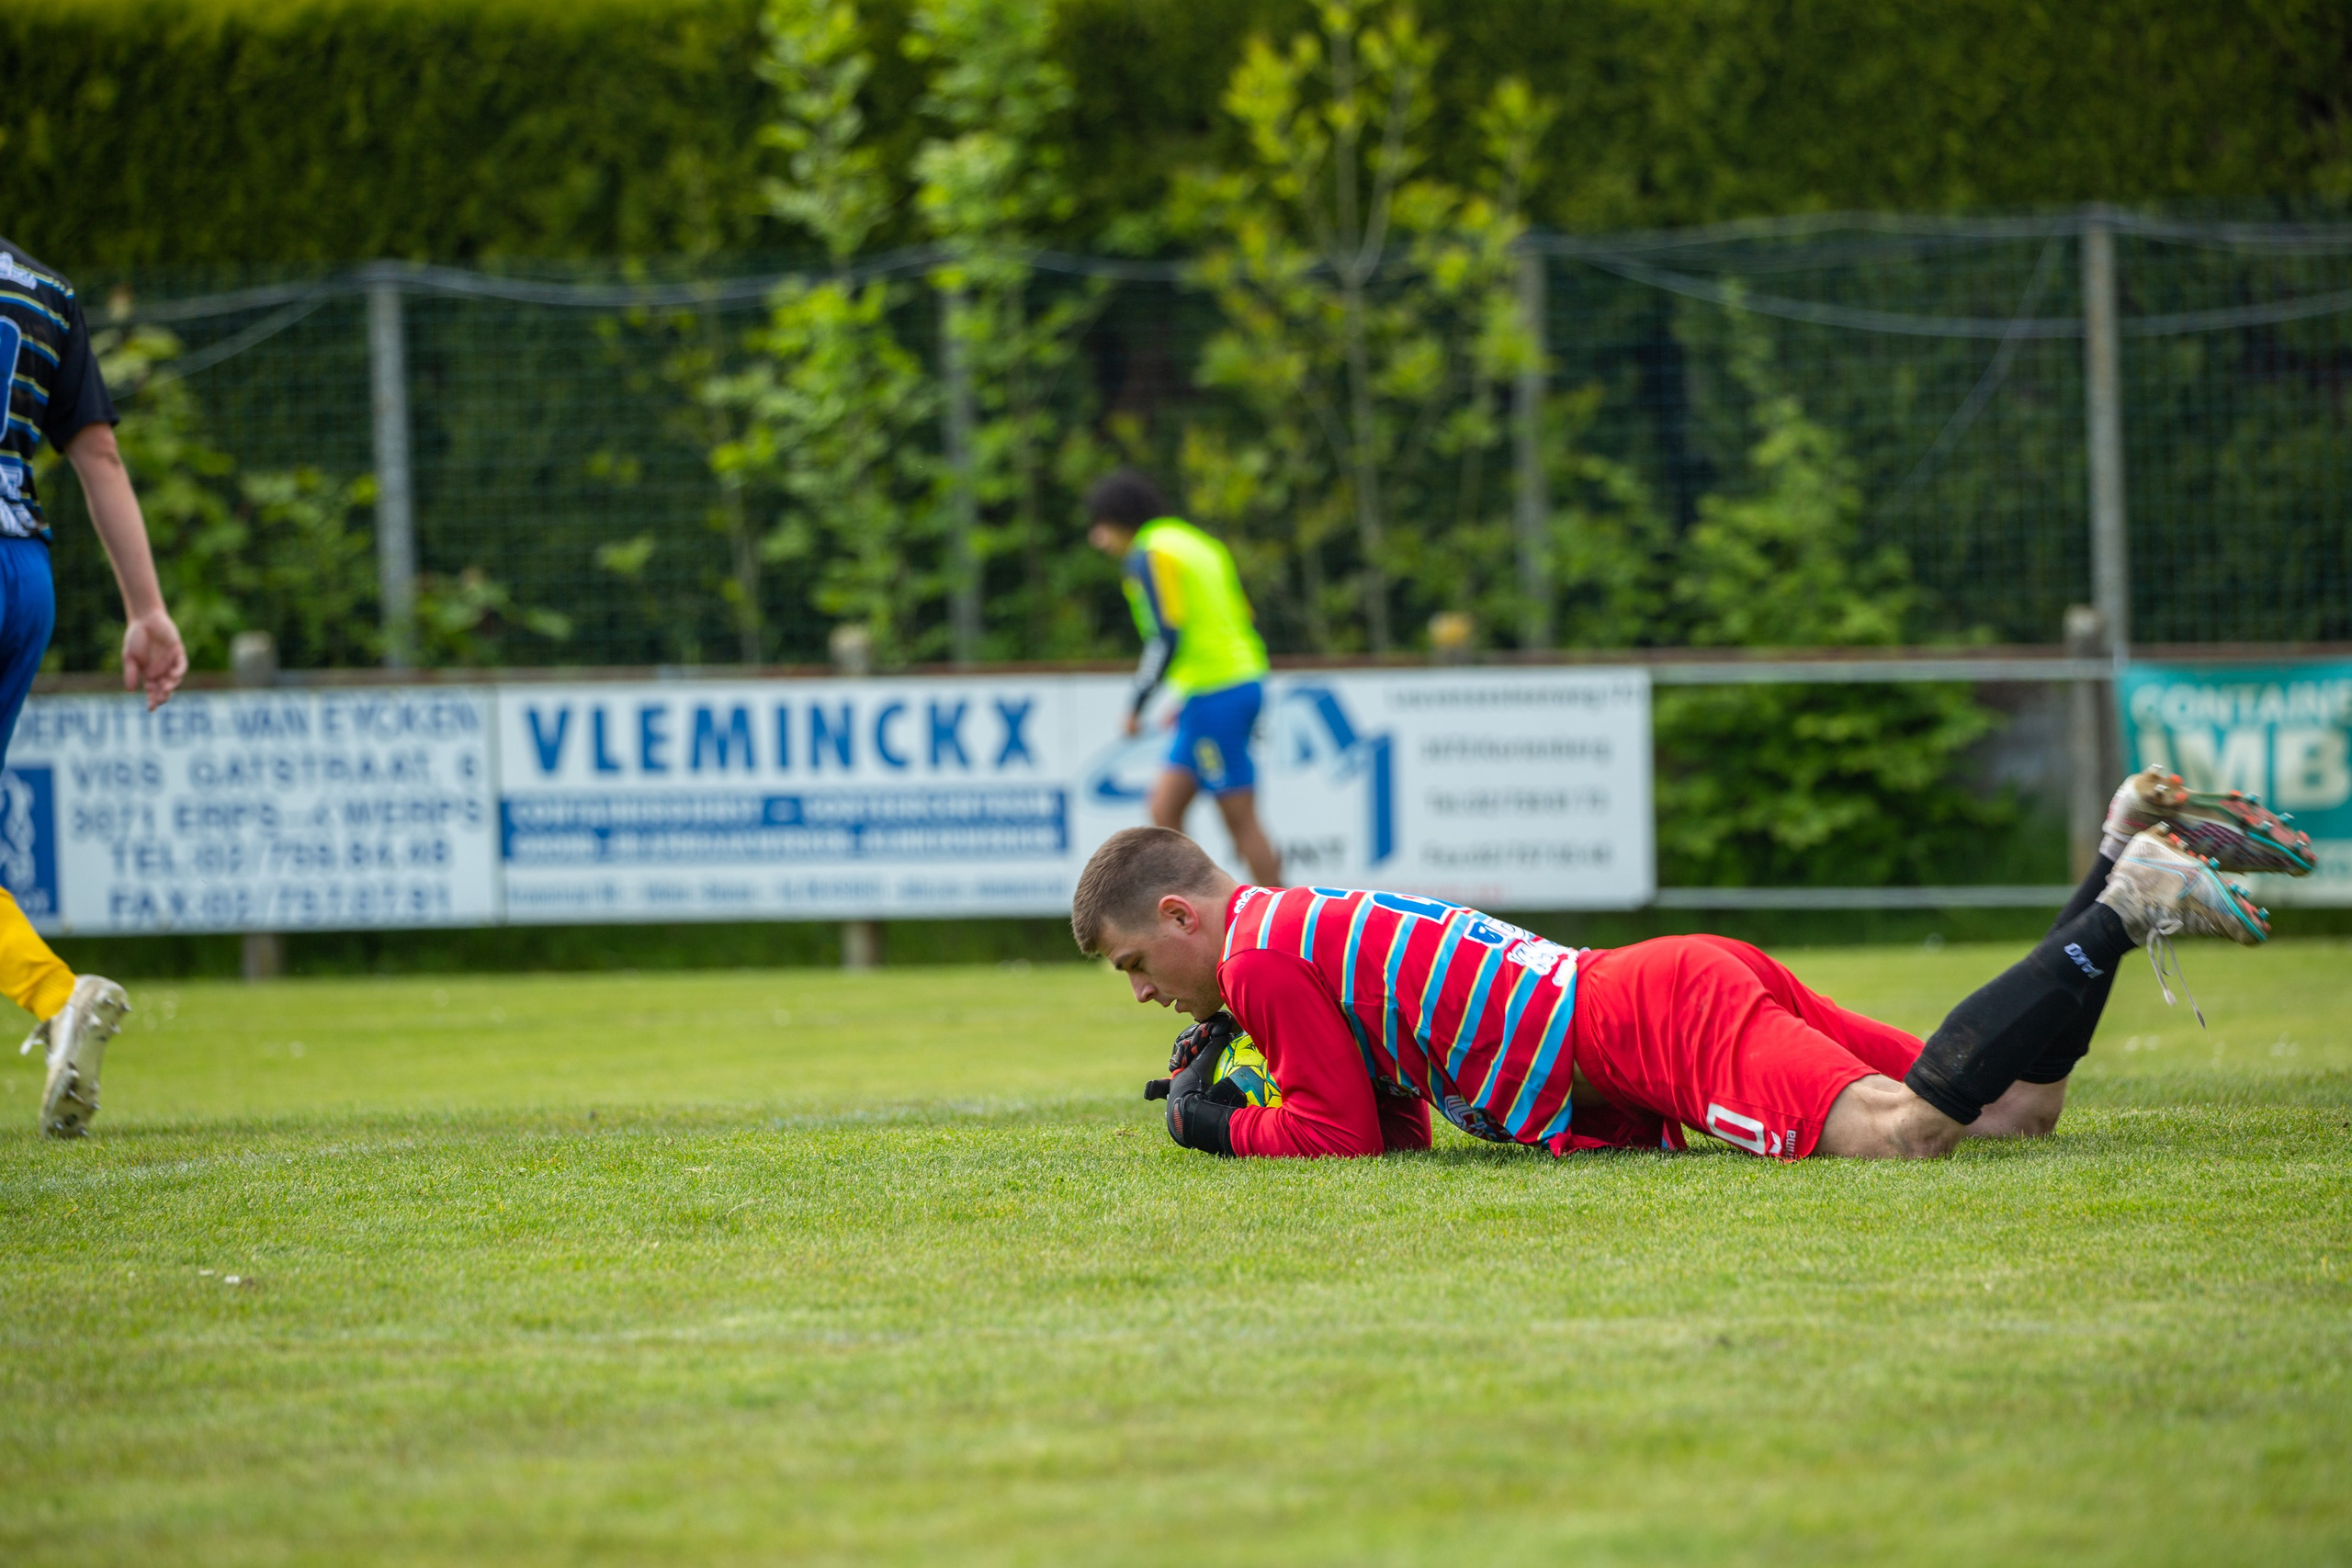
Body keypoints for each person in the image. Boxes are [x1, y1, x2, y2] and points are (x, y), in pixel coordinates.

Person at [1072, 767, 2307, 1161]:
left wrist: (1217, 1128)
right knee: (2014, 1107)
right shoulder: (1296, 922)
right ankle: (2114, 866)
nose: (1143, 992)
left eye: (1136, 960)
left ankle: (2133, 896)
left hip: (1639, 1022)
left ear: (1183, 914)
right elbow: (1390, 1125)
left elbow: (1335, 1136)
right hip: (1659, 980)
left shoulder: (1265, 954)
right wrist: (1259, 1083)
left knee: (1906, 1131)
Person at [2, 237, 189, 1137]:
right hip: (21, 577)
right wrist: (146, 609)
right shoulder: (44, 289)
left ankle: (54, 992)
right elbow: (99, 457)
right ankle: (52, 997)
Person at [1084, 469, 1282, 886]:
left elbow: (1166, 634)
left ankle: (1288, 935)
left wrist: (1137, 703)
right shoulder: (1196, 543)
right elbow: (1239, 616)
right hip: (1223, 687)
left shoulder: (1149, 553)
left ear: (1118, 519)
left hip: (1218, 691)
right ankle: (1186, 926)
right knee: (1163, 809)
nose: (1097, 539)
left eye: (1100, 526)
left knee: (1241, 822)